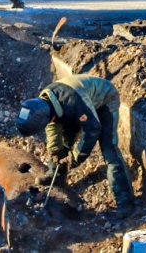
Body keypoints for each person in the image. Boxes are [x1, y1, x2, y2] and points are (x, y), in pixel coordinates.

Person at [16, 74, 134, 219]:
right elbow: (53, 125)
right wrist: (55, 151)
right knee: (61, 146)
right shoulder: (44, 101)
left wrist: (75, 157)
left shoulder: (73, 102)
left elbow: (92, 129)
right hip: (77, 108)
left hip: (104, 101)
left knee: (109, 151)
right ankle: (57, 176)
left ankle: (126, 203)